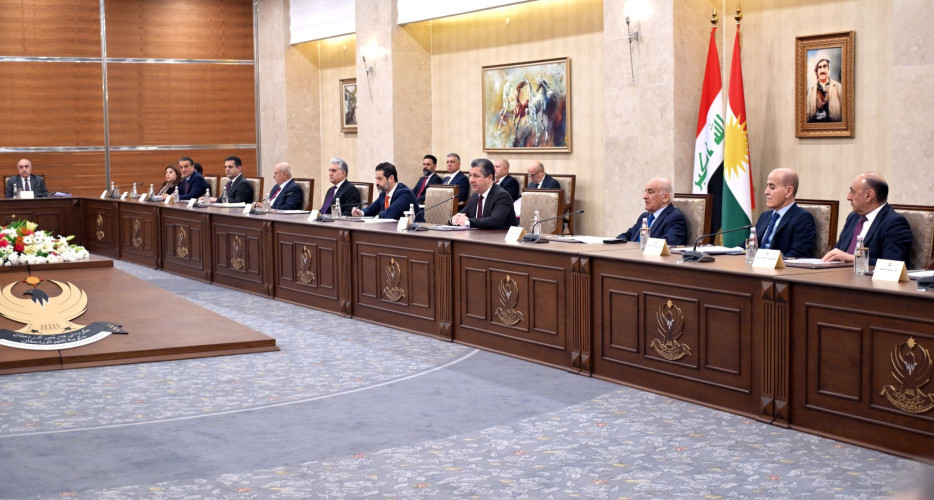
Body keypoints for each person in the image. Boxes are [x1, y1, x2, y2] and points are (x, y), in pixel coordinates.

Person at [822, 172, 912, 266]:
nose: (848, 197)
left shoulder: (894, 223)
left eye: (853, 192)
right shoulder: (853, 217)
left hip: (868, 275)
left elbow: (893, 264)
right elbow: (839, 252)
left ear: (869, 195)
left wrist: (854, 259)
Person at [754, 168, 816, 258]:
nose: (766, 192)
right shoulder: (765, 216)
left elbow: (799, 253)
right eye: (767, 186)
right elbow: (749, 244)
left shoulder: (803, 218)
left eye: (772, 187)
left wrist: (768, 261)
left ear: (789, 191)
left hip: (779, 266)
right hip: (756, 264)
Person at [449, 159, 517, 230]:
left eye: (476, 176)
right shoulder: (475, 196)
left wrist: (467, 222)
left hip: (499, 236)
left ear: (489, 178)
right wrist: (454, 219)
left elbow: (495, 221)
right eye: (470, 175)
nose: (471, 180)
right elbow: (461, 215)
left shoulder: (502, 196)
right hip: (477, 235)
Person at [617, 177, 687, 245]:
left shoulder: (674, 217)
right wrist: (613, 241)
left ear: (665, 197)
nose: (644, 196)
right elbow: (628, 235)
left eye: (650, 192)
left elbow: (667, 244)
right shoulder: (644, 216)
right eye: (645, 191)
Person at [806, 54, 843, 123]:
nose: (822, 70)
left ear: (828, 69)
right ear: (816, 71)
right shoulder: (811, 90)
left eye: (825, 66)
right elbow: (807, 116)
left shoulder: (839, 87)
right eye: (819, 67)